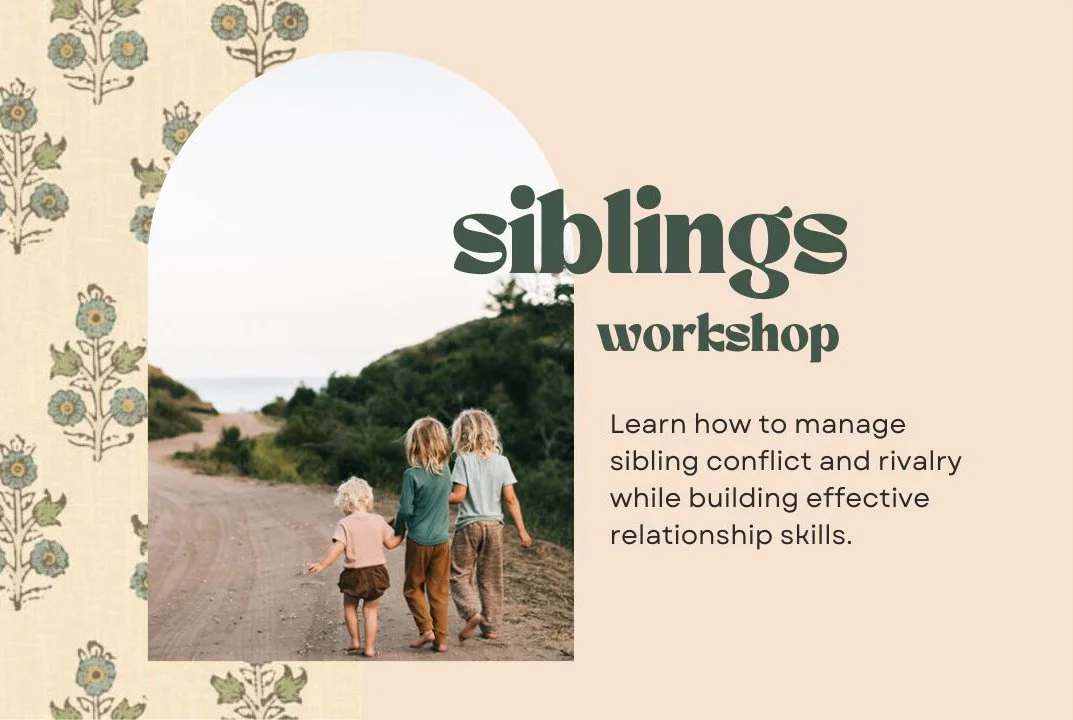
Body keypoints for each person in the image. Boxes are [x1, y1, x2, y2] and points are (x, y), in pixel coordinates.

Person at [448, 408, 533, 643]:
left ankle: (472, 612)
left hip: (469, 526)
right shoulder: (502, 462)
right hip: (495, 526)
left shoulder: (463, 460)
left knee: (458, 574)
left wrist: (434, 496)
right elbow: (511, 499)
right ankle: (491, 627)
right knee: (491, 577)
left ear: (462, 435)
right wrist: (522, 530)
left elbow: (458, 495)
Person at [307, 477, 401, 658]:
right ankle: (370, 647)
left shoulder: (345, 523)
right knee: (371, 611)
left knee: (350, 607)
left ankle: (355, 640)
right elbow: (391, 543)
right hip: (376, 573)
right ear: (368, 498)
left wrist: (321, 564)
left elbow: (337, 548)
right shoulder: (378, 520)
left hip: (354, 573)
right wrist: (402, 533)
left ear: (344, 502)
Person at [394, 416, 454, 652]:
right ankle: (441, 641)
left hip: (419, 541)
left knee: (412, 588)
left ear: (414, 445)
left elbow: (406, 510)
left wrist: (398, 529)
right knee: (439, 591)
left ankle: (426, 628)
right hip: (442, 541)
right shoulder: (446, 472)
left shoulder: (412, 475)